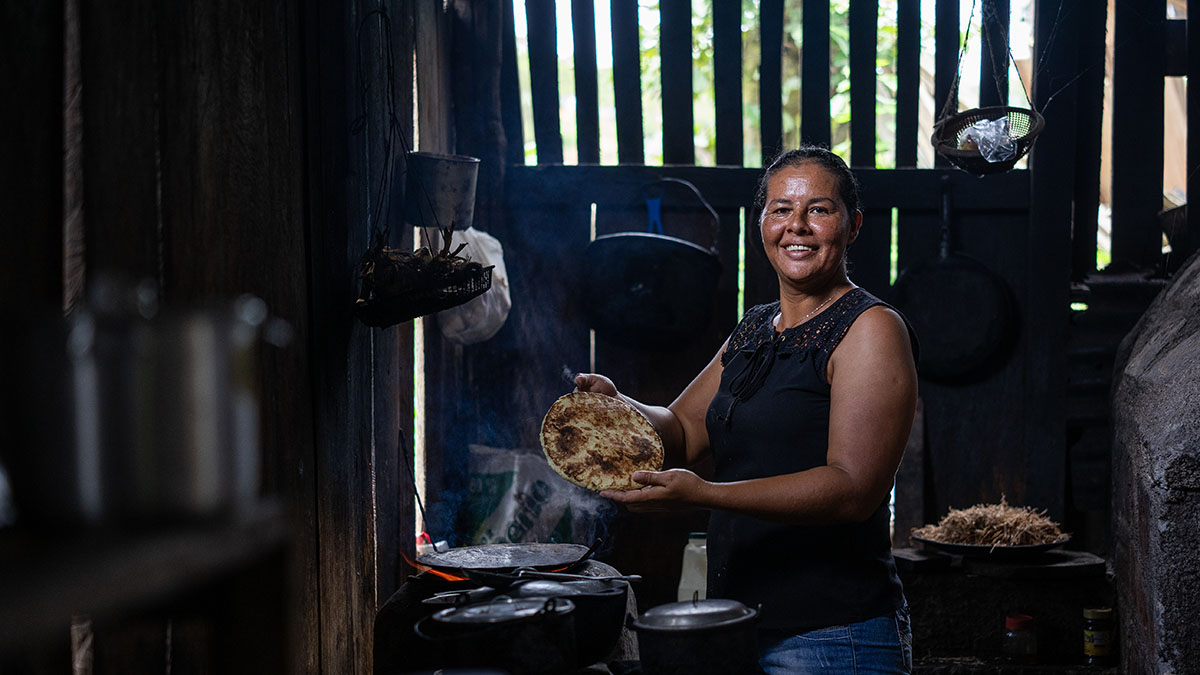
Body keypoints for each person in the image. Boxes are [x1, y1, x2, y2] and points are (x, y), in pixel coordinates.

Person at [574, 146, 919, 674]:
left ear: (853, 226)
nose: (796, 226)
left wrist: (705, 495)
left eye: (819, 210)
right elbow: (684, 429)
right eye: (781, 209)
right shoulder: (755, 328)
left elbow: (852, 489)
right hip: (739, 628)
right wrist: (618, 406)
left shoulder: (871, 330)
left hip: (832, 636)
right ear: (762, 222)